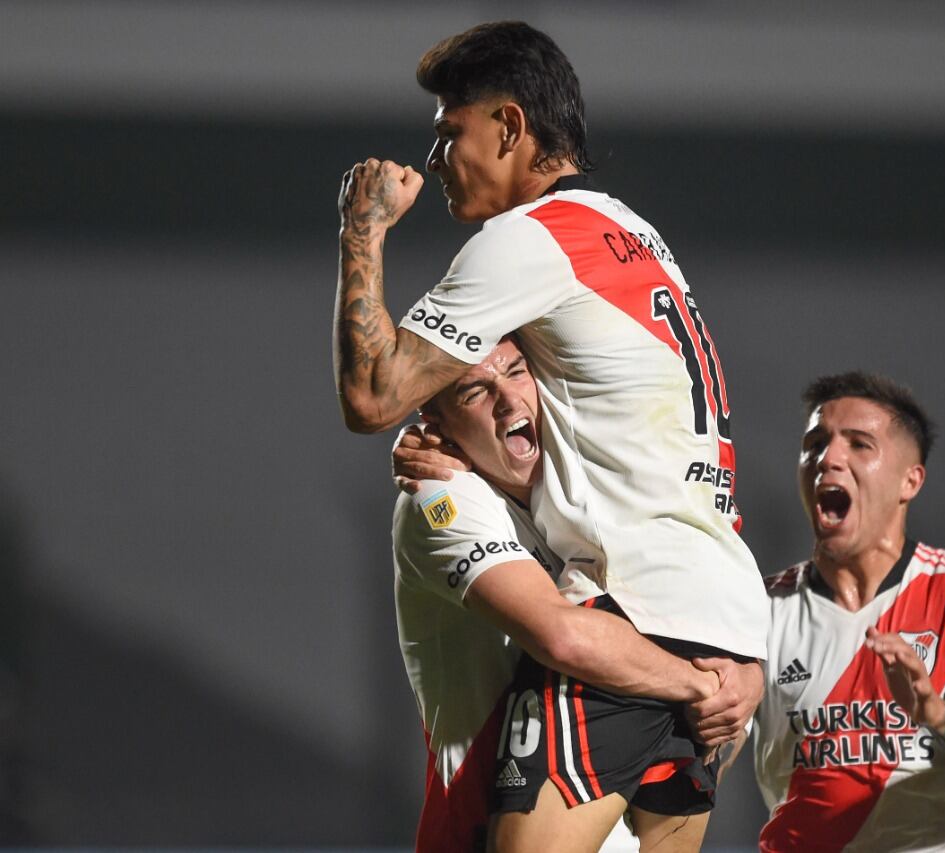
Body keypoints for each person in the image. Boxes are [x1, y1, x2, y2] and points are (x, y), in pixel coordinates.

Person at [333, 21, 768, 848]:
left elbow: (371, 391)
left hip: (628, 624)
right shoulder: (639, 237)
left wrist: (362, 231)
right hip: (722, 620)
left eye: (448, 132)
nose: (434, 160)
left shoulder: (524, 241)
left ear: (507, 126)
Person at [393, 338, 754, 852]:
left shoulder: (594, 496)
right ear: (438, 422)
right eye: (475, 390)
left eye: (517, 372)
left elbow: (708, 686)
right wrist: (704, 685)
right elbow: (562, 636)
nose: (508, 401)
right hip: (483, 830)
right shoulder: (442, 493)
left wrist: (744, 680)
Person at [752, 371, 945, 852]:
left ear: (909, 481)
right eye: (816, 442)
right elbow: (714, 743)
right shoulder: (759, 606)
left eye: (860, 445)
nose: (829, 458)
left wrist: (937, 713)